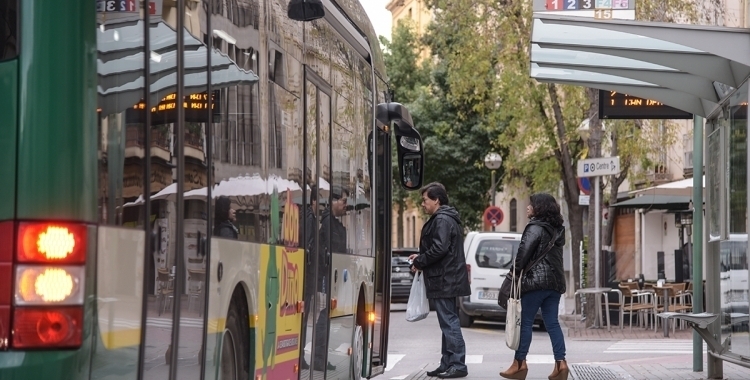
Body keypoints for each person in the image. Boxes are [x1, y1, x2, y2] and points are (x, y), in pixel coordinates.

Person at [499, 193, 568, 380]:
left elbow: (523, 254)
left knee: (525, 323)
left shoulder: (534, 227)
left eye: (531, 205)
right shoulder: (557, 230)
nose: (527, 207)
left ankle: (519, 364)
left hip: (535, 282)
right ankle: (561, 364)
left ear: (539, 207)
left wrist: (513, 273)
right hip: (555, 283)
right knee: (552, 323)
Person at [408, 182, 471, 379]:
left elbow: (440, 248)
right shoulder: (444, 218)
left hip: (445, 278)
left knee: (449, 322)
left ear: (436, 200)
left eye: (425, 200)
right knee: (447, 322)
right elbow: (439, 248)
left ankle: (458, 364)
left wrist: (420, 261)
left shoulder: (442, 219)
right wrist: (419, 257)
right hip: (446, 277)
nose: (423, 204)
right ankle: (447, 363)